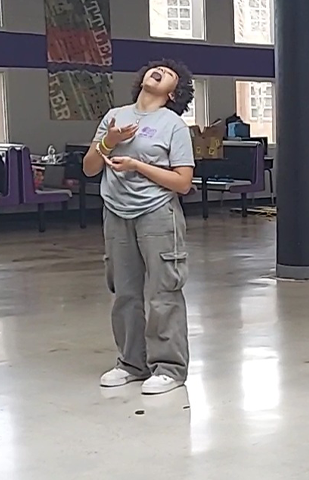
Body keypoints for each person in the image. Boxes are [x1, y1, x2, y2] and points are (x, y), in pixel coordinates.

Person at [83, 59, 196, 395]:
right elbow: (90, 167)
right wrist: (109, 141)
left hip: (157, 213)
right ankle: (131, 363)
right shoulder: (114, 116)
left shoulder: (173, 125)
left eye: (169, 73)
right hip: (116, 212)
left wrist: (137, 165)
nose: (159, 71)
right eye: (155, 67)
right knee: (125, 292)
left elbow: (183, 182)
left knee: (163, 292)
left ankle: (170, 368)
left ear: (173, 93)